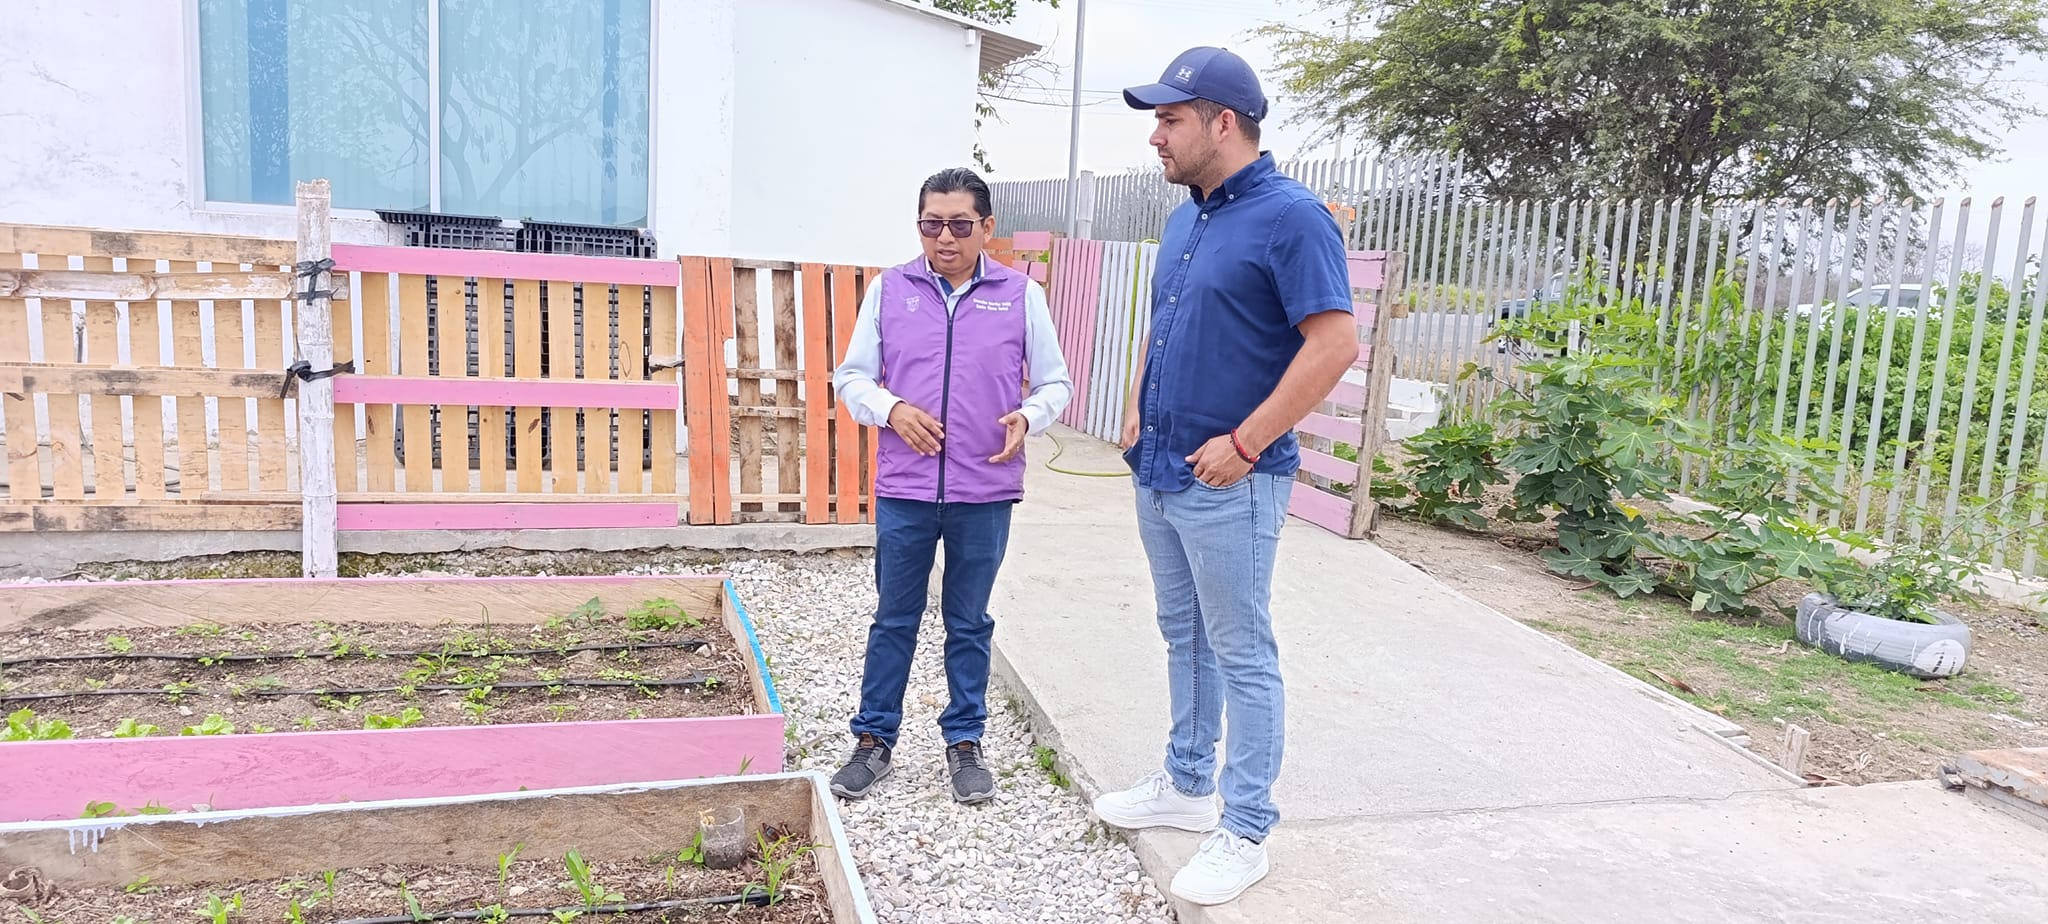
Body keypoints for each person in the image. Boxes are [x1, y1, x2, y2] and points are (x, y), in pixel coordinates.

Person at [1089, 47, 1359, 905]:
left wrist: (1246, 442)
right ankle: (1184, 780)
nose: (1156, 138)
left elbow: (1335, 344)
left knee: (1242, 652)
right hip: (1161, 470)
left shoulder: (1292, 218)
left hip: (1233, 482)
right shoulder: (1188, 219)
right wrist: (1135, 406)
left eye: (1170, 120)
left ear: (1224, 122)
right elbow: (1162, 321)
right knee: (1185, 634)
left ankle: (1244, 828)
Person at [828, 167, 1073, 805]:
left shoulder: (1021, 295)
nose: (944, 238)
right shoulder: (890, 289)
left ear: (986, 227)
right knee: (894, 618)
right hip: (905, 489)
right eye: (931, 224)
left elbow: (1056, 383)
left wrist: (1030, 416)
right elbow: (851, 377)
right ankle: (873, 740)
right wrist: (891, 410)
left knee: (969, 622)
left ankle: (965, 742)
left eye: (960, 225)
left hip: (984, 491)